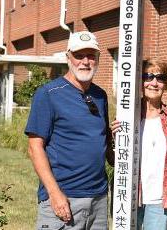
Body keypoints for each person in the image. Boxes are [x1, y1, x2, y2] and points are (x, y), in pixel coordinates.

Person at [25, 31, 113, 230]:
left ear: (98, 58)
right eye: (79, 55)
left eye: (91, 55)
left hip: (98, 198)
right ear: (68, 58)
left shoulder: (100, 96)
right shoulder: (48, 94)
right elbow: (35, 148)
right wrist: (55, 194)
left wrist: (115, 137)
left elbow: (103, 141)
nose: (85, 61)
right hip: (65, 197)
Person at [111, 58, 167, 230]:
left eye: (160, 78)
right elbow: (113, 160)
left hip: (160, 203)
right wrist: (114, 137)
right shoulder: (126, 117)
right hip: (129, 197)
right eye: (148, 76)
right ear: (140, 81)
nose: (154, 83)